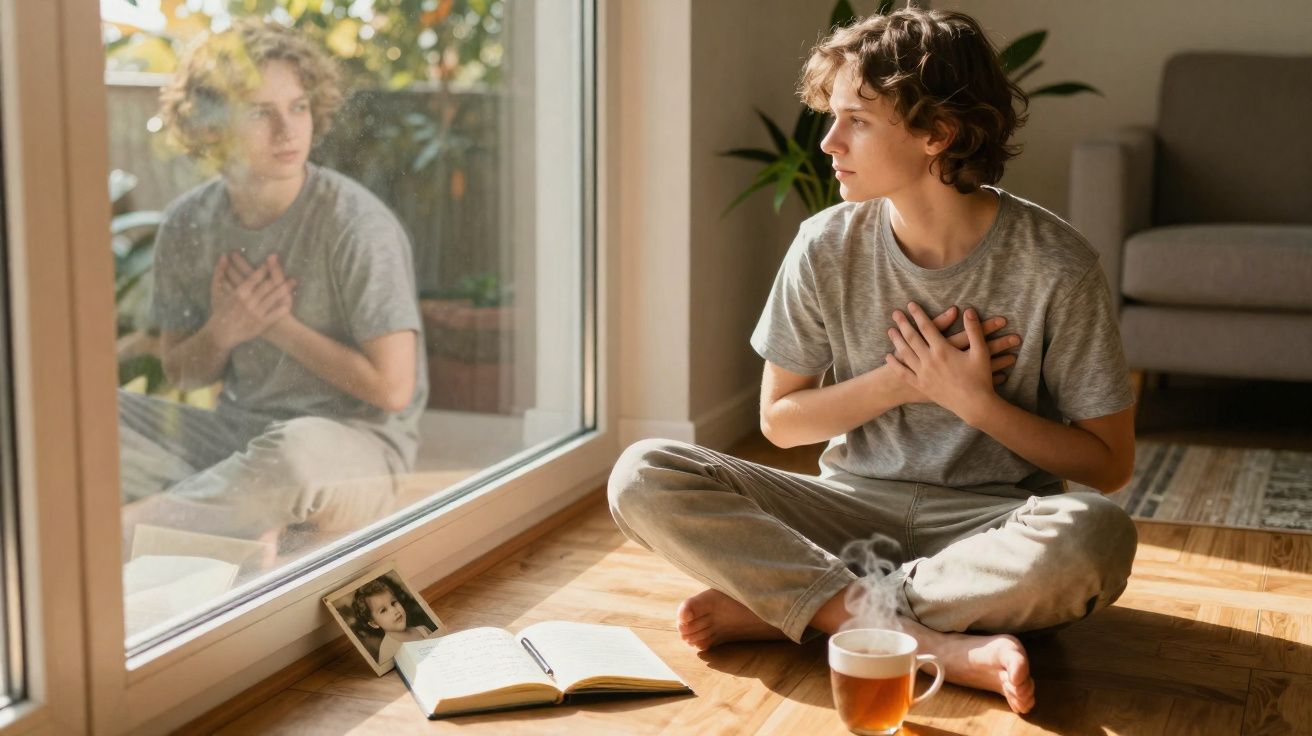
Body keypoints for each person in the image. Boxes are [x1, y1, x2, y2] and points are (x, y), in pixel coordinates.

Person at [607, 8, 1138, 715]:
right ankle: (923, 642)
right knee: (640, 473)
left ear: (935, 133)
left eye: (855, 119)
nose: (829, 141)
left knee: (1097, 537)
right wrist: (898, 382)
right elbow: (781, 422)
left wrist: (974, 401)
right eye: (832, 116)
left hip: (987, 530)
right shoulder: (825, 245)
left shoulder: (1056, 265)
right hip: (843, 508)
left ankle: (799, 605)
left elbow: (1109, 464)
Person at [118, 19, 427, 548]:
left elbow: (393, 389)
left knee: (292, 456)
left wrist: (278, 328)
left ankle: (129, 534)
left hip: (353, 449)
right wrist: (224, 330)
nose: (288, 130)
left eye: (298, 107)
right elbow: (180, 371)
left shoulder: (355, 224)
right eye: (262, 112)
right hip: (235, 437)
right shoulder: (188, 223)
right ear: (210, 127)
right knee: (91, 417)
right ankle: (237, 514)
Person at [352, 579, 434, 664]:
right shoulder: (387, 652)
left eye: (393, 603)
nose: (394, 610)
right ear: (375, 623)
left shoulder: (422, 630)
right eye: (383, 610)